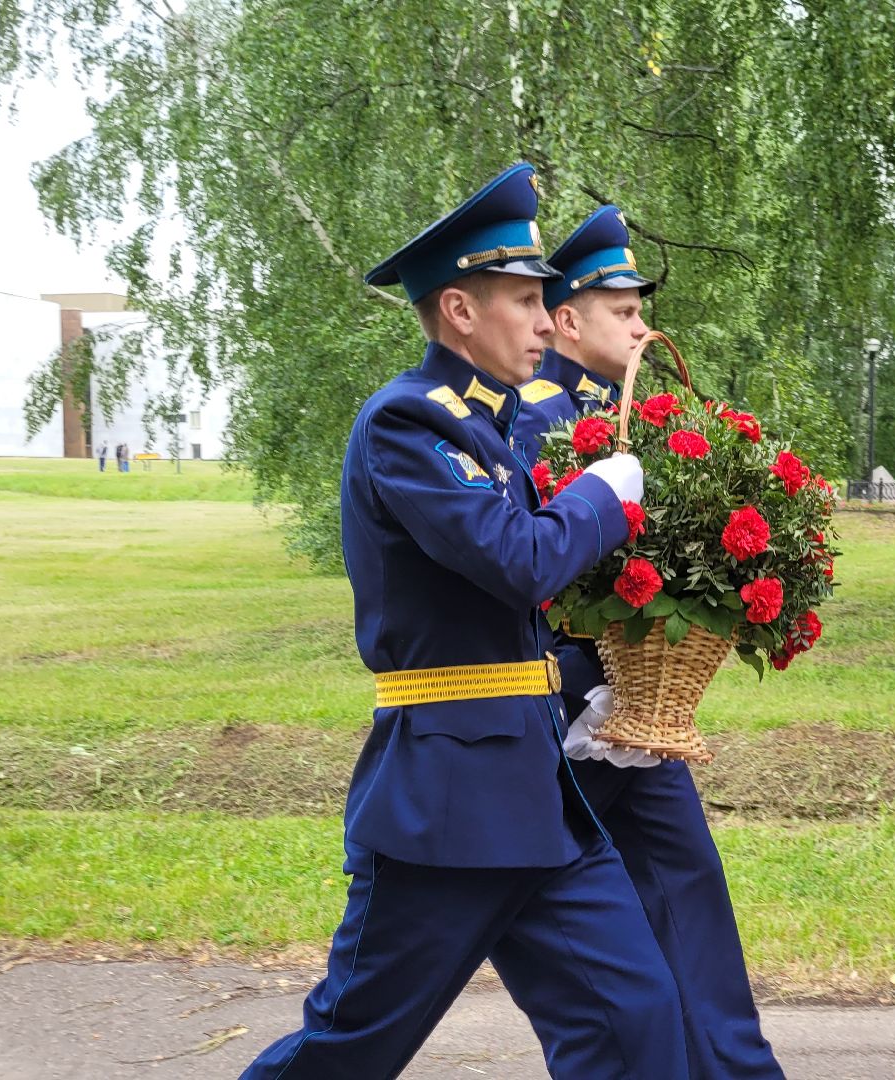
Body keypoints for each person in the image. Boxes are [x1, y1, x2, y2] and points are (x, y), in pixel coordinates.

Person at [238, 163, 685, 1080]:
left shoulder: (491, 430)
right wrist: (602, 497)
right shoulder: (408, 424)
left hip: (536, 795)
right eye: (525, 300)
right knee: (349, 1050)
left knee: (635, 1019)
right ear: (459, 310)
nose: (545, 320)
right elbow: (520, 561)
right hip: (447, 802)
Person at [511, 204, 786, 1080]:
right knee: (546, 923)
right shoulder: (537, 418)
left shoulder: (628, 415)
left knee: (687, 887)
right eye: (624, 312)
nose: (641, 328)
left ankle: (737, 1070)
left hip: (633, 704)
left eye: (641, 313)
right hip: (563, 709)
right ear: (566, 320)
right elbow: (538, 563)